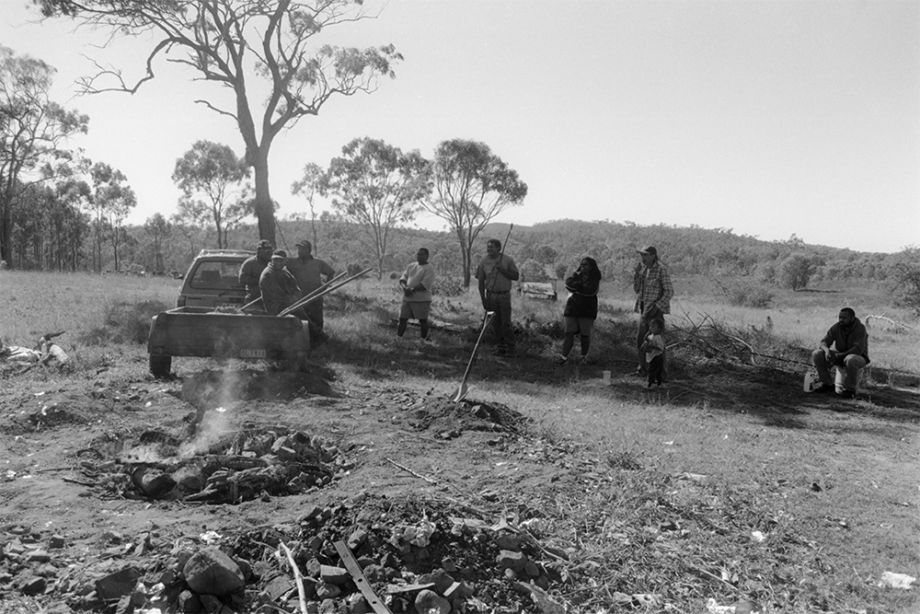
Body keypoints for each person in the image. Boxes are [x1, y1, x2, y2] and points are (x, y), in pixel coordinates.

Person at [810, 307, 870, 399]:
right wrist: (827, 351)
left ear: (852, 318)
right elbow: (824, 342)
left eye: (844, 318)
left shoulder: (860, 328)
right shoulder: (837, 327)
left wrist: (839, 356)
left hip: (858, 357)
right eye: (840, 317)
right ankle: (827, 385)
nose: (841, 320)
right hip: (840, 355)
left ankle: (850, 390)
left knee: (850, 359)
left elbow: (857, 349)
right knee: (817, 354)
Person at [633, 245, 673, 375]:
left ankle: (661, 372)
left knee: (657, 342)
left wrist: (657, 306)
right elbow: (637, 289)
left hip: (655, 310)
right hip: (644, 308)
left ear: (653, 256)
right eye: (642, 255)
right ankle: (643, 368)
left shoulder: (661, 270)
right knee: (642, 339)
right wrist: (637, 274)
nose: (643, 258)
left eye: (645, 255)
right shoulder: (644, 270)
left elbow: (669, 292)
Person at [476, 238, 520, 355]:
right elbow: (480, 282)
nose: (488, 249)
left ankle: (511, 348)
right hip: (490, 295)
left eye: (491, 247)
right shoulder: (483, 261)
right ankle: (500, 348)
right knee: (495, 324)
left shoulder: (507, 260)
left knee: (506, 323)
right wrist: (483, 299)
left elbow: (516, 276)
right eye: (488, 247)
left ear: (499, 248)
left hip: (504, 295)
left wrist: (502, 270)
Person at [556, 257, 602, 365]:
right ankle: (563, 357)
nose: (582, 266)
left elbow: (590, 290)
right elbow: (567, 284)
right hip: (572, 308)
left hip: (587, 309)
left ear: (591, 267)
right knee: (569, 333)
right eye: (581, 264)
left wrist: (576, 287)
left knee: (585, 334)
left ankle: (583, 357)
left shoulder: (595, 279)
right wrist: (577, 284)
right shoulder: (576, 276)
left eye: (585, 264)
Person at [287, 239, 336, 338]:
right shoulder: (292, 262)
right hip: (298, 297)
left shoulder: (318, 263)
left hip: (315, 296)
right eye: (299, 249)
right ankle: (301, 340)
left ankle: (318, 339)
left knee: (316, 319)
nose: (300, 251)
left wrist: (324, 287)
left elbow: (331, 272)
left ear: (309, 250)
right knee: (300, 320)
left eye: (303, 249)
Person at [397, 247, 436, 342]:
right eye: (418, 254)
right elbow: (403, 278)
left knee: (422, 320)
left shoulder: (429, 268)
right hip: (407, 298)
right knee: (402, 319)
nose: (418, 256)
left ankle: (423, 340)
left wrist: (412, 289)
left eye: (421, 254)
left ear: (427, 256)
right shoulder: (411, 266)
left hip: (421, 299)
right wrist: (405, 288)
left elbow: (425, 284)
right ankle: (398, 338)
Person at [259, 250, 302, 315]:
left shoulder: (284, 271)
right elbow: (277, 295)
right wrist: (292, 299)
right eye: (275, 260)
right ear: (271, 260)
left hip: (288, 304)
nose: (278, 262)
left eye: (280, 260)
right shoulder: (268, 274)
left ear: (285, 261)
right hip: (276, 308)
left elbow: (295, 286)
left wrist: (296, 295)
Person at [239, 239, 273, 305]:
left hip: (272, 299)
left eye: (270, 250)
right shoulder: (250, 263)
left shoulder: (274, 263)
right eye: (266, 250)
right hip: (254, 298)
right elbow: (242, 279)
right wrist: (261, 281)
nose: (268, 253)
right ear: (259, 250)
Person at [640, 318, 666, 387]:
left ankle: (650, 384)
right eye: (650, 326)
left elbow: (660, 348)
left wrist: (652, 346)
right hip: (651, 357)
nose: (651, 328)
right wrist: (645, 345)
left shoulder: (658, 337)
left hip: (657, 357)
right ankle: (655, 382)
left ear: (659, 329)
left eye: (653, 327)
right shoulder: (650, 336)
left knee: (654, 370)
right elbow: (645, 343)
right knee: (652, 370)